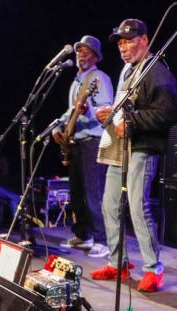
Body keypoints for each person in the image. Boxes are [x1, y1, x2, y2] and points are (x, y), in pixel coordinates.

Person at [93, 19, 177, 294]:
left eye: (129, 40)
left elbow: (167, 114)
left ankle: (154, 270)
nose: (123, 47)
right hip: (120, 147)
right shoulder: (129, 71)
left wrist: (133, 121)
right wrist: (110, 113)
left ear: (144, 40)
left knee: (139, 207)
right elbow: (126, 108)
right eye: (119, 42)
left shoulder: (156, 72)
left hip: (142, 148)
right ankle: (118, 262)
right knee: (109, 205)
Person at [53, 35, 114, 259]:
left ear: (96, 56)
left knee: (92, 192)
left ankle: (102, 240)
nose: (82, 55)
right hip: (76, 142)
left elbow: (107, 109)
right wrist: (57, 126)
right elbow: (71, 112)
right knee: (77, 193)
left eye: (88, 52)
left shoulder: (99, 78)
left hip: (93, 141)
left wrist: (88, 111)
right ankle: (83, 235)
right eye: (80, 51)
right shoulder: (76, 82)